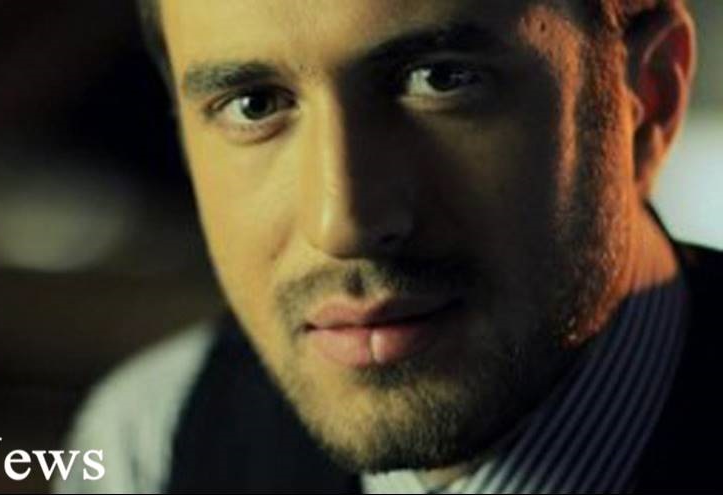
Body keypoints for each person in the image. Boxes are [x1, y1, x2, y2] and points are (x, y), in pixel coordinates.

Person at [59, 0, 721, 492]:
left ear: (648, 97)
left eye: (441, 78)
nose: (342, 223)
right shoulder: (152, 440)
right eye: (254, 104)